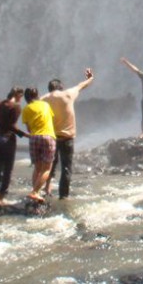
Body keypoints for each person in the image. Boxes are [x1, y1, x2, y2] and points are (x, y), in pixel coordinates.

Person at [42, 68, 94, 200]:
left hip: (51, 137)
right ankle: (63, 195)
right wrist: (90, 77)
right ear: (61, 87)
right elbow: (82, 85)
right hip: (67, 138)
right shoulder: (68, 94)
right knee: (66, 167)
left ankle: (46, 189)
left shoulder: (43, 99)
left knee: (50, 165)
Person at [0, 86, 28, 208]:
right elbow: (11, 126)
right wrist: (25, 135)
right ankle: (1, 198)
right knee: (8, 170)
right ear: (17, 95)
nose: (21, 99)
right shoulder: (16, 107)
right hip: (6, 141)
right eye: (21, 96)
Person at [21, 86, 55, 203]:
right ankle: (35, 192)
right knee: (47, 169)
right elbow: (50, 119)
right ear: (37, 95)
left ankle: (35, 192)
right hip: (47, 136)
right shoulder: (45, 105)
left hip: (34, 138)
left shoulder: (26, 109)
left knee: (37, 168)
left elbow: (29, 128)